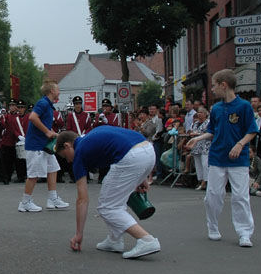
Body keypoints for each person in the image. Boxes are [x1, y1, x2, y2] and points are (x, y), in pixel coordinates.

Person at [55, 127, 161, 259]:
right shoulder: (91, 136)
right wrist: (142, 176)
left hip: (131, 157)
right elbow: (121, 142)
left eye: (65, 156)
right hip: (148, 151)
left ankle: (147, 240)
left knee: (108, 207)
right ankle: (114, 240)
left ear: (67, 145)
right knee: (110, 193)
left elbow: (82, 200)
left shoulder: (80, 153)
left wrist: (79, 234)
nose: (68, 161)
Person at [186, 69, 257, 248]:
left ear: (223, 85)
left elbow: (252, 130)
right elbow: (212, 131)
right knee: (213, 195)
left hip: (238, 159)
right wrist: (198, 138)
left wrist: (240, 144)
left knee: (240, 196)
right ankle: (213, 226)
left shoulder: (244, 106)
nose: (212, 89)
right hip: (217, 157)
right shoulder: (216, 108)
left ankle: (244, 232)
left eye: (214, 85)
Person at [18, 80, 69, 212]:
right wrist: (47, 132)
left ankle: (52, 199)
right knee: (34, 174)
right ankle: (25, 202)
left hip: (44, 145)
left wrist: (52, 132)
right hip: (36, 145)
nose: (59, 92)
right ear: (51, 91)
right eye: (57, 89)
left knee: (53, 168)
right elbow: (33, 117)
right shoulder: (43, 103)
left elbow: (42, 121)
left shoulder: (48, 104)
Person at [189, 106, 210, 191]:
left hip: (206, 146)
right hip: (196, 146)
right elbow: (191, 131)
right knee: (198, 164)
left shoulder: (208, 122)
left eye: (201, 112)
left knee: (205, 164)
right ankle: (200, 179)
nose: (199, 114)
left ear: (205, 114)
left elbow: (209, 133)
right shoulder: (196, 123)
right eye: (198, 112)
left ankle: (205, 181)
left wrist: (197, 134)